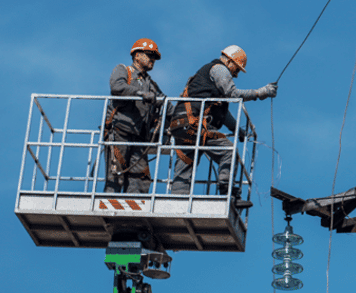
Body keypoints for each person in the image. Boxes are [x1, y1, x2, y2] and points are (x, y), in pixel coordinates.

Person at [168, 45, 277, 206]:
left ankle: (177, 201)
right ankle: (228, 193)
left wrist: (237, 130)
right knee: (228, 152)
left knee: (186, 162)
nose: (236, 74)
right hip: (194, 124)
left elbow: (222, 114)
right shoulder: (219, 69)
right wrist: (260, 93)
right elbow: (233, 94)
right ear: (229, 61)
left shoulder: (209, 82)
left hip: (181, 125)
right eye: (237, 69)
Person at [104, 38, 165, 193]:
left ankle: (134, 214)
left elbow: (165, 104)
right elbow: (117, 87)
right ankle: (111, 212)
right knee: (116, 176)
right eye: (149, 55)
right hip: (119, 133)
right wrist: (140, 93)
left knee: (141, 180)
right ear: (137, 55)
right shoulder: (124, 70)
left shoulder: (151, 84)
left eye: (154, 57)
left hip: (138, 138)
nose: (152, 59)